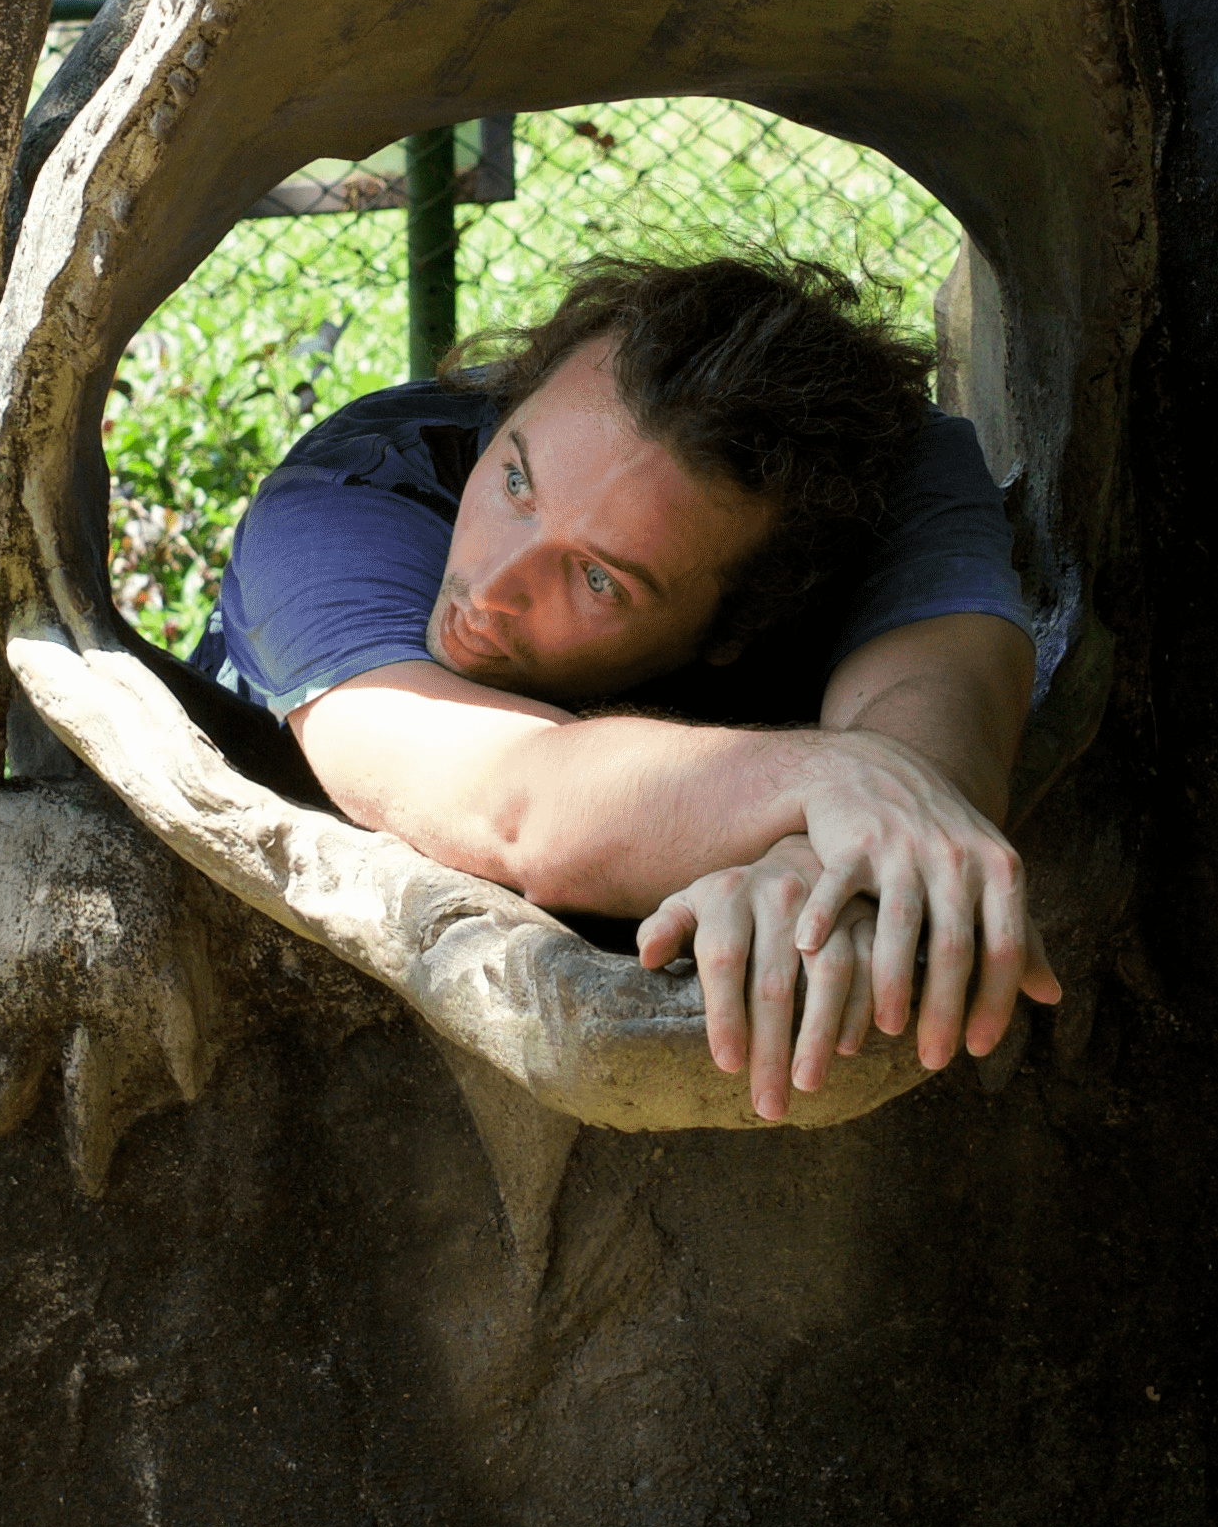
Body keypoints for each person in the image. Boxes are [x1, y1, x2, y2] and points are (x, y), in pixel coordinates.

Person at [184, 253, 1057, 1123]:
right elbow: (508, 800)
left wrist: (814, 871)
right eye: (516, 480)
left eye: (599, 579)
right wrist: (827, 784)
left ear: (741, 627)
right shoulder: (340, 499)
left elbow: (944, 712)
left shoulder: (895, 478)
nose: (492, 585)